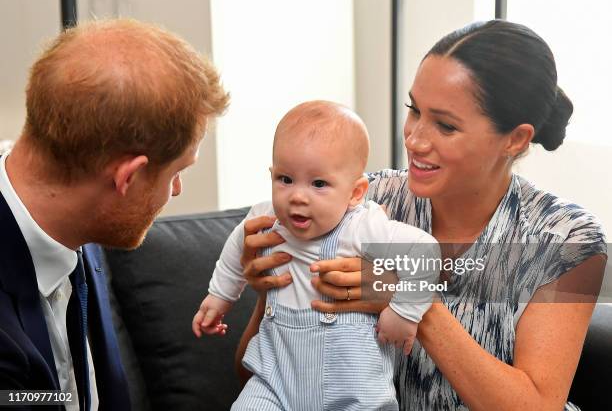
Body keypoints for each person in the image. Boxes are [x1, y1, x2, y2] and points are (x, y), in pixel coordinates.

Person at [236, 20, 608, 411]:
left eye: (445, 125)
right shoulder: (360, 203)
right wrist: (273, 288)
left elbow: (536, 406)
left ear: (515, 139)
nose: (414, 139)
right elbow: (259, 381)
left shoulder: (566, 238)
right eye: (414, 110)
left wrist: (411, 300)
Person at [0, 19, 229, 410]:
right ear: (128, 176)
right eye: (177, 172)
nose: (176, 190)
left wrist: (369, 283)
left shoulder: (76, 217)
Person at [192, 100, 440, 410]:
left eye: (319, 184)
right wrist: (220, 297)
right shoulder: (267, 219)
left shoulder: (363, 227)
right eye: (285, 179)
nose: (297, 196)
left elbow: (425, 251)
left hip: (352, 394)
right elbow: (235, 248)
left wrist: (404, 311)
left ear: (355, 193)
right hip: (275, 384)